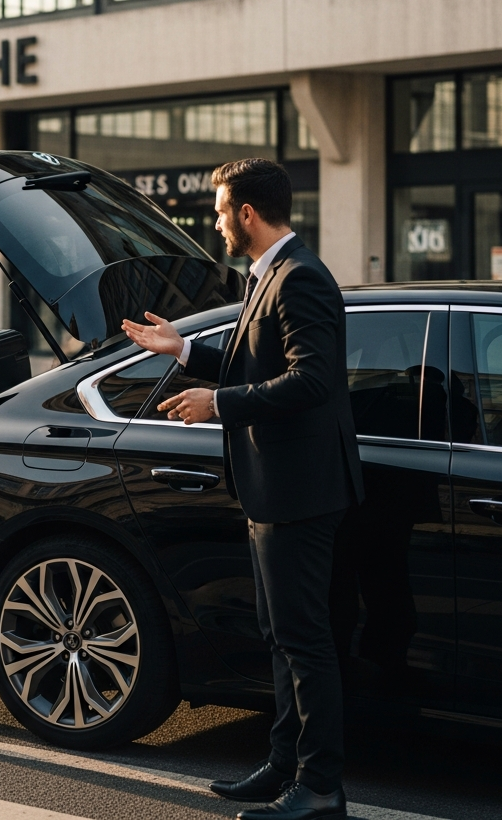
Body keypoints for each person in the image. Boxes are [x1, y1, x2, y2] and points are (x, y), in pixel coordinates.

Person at [122, 158, 363, 820]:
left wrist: (219, 402)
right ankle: (284, 767)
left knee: (304, 640)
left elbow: (312, 380)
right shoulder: (271, 274)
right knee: (281, 635)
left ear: (249, 215)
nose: (218, 221)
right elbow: (251, 357)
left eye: (223, 211)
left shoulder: (302, 278)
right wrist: (180, 351)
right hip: (272, 490)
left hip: (300, 493)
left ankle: (320, 788)